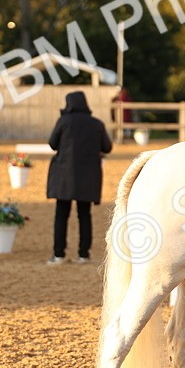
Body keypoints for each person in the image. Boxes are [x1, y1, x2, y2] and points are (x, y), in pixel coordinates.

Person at [46, 90, 112, 265]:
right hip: (87, 176)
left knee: (61, 215)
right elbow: (107, 147)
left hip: (64, 176)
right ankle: (84, 254)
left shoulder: (64, 121)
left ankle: (58, 254)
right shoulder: (97, 124)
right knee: (84, 215)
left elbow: (52, 143)